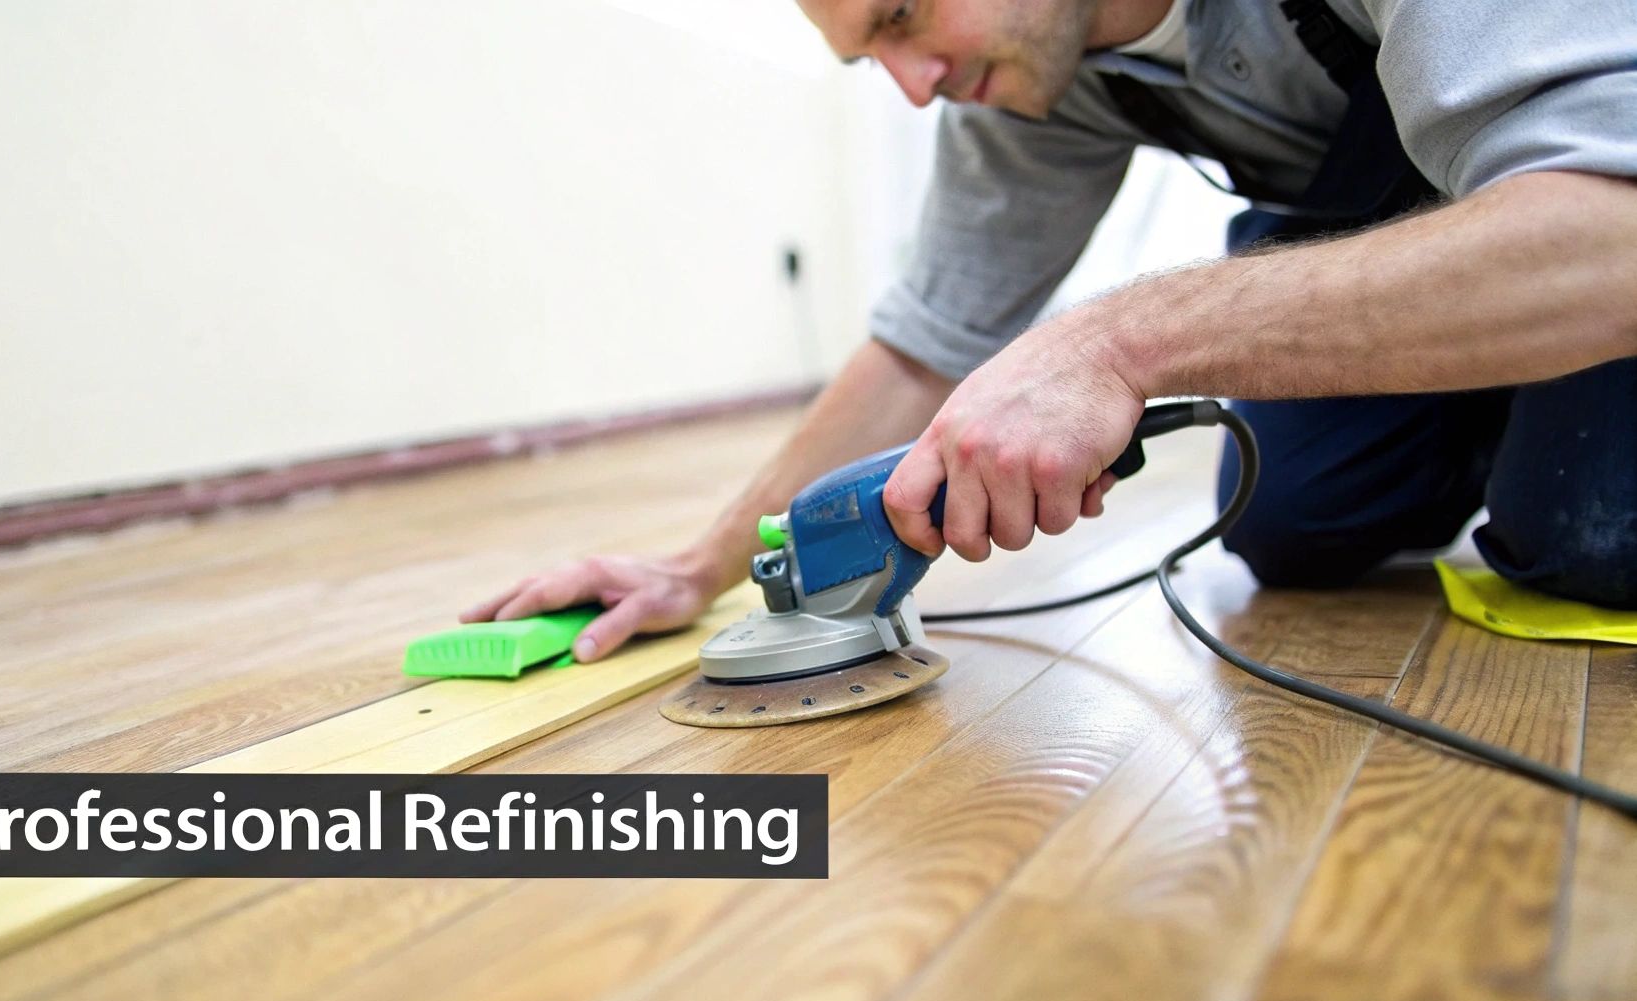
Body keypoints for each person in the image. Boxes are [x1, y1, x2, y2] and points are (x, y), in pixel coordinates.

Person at [463, 0, 1637, 661]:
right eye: (869, 56)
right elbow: (928, 341)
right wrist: (701, 564)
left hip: (1595, 194)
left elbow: (1612, 225)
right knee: (1295, 519)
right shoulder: (1039, 74)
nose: (911, 85)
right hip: (1456, 214)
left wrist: (1112, 343)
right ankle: (1518, 376)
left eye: (903, 15)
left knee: (1585, 540)